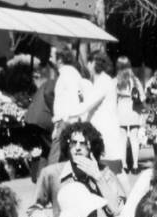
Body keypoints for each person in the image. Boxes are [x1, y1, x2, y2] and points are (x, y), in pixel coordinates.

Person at [27, 121, 126, 217]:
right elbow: (34, 209)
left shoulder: (104, 173)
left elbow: (118, 211)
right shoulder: (51, 173)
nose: (77, 147)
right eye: (73, 143)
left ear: (92, 147)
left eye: (83, 143)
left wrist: (98, 178)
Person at [62, 51, 129, 191]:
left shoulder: (103, 82)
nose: (87, 66)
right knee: (107, 167)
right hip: (103, 131)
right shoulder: (101, 82)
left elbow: (86, 106)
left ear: (93, 63)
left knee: (115, 169)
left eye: (88, 63)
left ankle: (128, 200)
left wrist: (64, 113)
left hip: (106, 132)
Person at [49, 45, 83, 165]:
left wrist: (63, 122)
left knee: (54, 160)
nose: (49, 57)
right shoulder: (69, 73)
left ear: (60, 59)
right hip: (67, 120)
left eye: (52, 55)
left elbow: (74, 99)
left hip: (66, 121)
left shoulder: (67, 74)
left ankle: (49, 183)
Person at [25, 63, 57, 182]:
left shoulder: (46, 83)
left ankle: (37, 177)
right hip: (42, 120)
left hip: (32, 118)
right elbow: (49, 95)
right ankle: (45, 178)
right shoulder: (53, 83)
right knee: (51, 148)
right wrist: (54, 111)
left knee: (43, 149)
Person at [115, 56, 145, 174]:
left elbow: (113, 98)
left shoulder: (116, 80)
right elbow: (142, 96)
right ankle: (136, 165)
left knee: (122, 140)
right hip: (134, 110)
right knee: (134, 139)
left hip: (121, 110)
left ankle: (125, 165)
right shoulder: (135, 80)